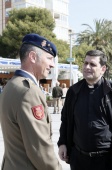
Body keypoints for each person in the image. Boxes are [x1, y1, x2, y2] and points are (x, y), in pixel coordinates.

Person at [57, 50, 112, 170]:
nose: (87, 67)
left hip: (107, 160)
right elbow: (65, 120)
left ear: (103, 69)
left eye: (92, 64)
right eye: (85, 63)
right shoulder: (74, 91)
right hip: (79, 160)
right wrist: (62, 143)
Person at [0, 33, 62, 170]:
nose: (52, 64)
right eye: (49, 58)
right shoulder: (29, 92)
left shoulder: (11, 85)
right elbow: (40, 149)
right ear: (33, 57)